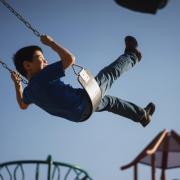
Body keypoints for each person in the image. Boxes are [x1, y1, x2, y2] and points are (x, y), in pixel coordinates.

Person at [11, 35, 155, 127]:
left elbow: (22, 104)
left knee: (111, 102)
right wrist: (51, 43)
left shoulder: (29, 91)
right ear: (28, 65)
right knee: (108, 75)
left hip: (79, 115)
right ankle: (132, 56)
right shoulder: (42, 77)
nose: (45, 60)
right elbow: (69, 59)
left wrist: (17, 85)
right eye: (40, 58)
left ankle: (142, 116)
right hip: (83, 102)